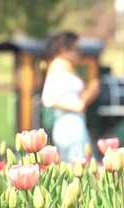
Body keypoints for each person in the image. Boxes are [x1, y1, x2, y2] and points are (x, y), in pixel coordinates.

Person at [41, 31, 100, 162]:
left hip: (74, 122)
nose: (80, 52)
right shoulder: (58, 65)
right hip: (68, 123)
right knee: (79, 164)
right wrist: (79, 105)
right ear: (63, 49)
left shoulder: (65, 66)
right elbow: (48, 98)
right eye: (76, 48)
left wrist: (89, 93)